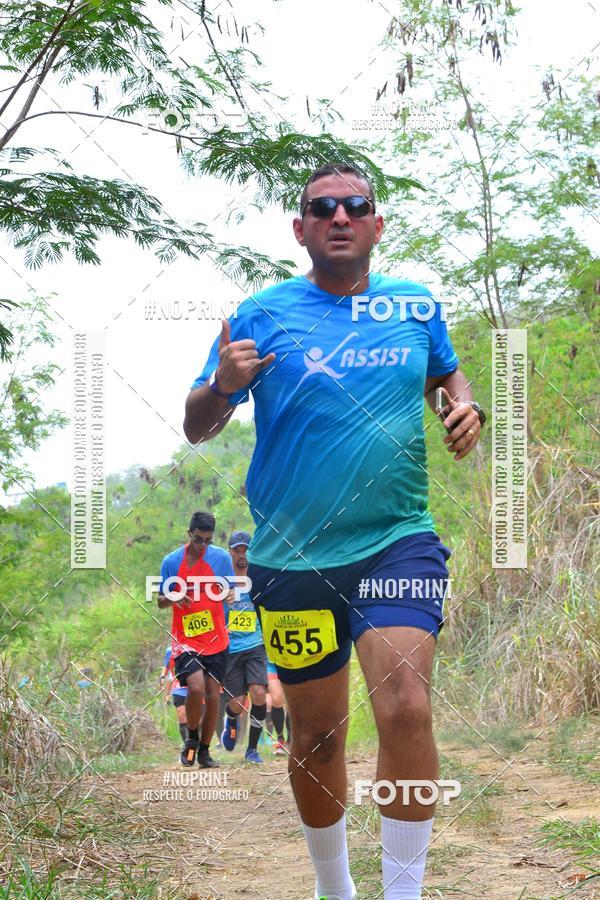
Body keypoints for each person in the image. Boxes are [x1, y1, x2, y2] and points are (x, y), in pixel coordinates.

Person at [183, 164, 485, 899]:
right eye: (322, 208)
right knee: (317, 736)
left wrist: (463, 406)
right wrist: (222, 386)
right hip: (294, 561)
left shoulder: (413, 305)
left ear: (377, 224)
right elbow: (197, 427)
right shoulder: (262, 314)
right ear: (301, 229)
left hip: (397, 541)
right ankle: (335, 888)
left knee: (406, 703)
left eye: (355, 206)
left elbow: (445, 376)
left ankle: (404, 892)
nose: (339, 217)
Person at [157, 511, 234, 769]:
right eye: (198, 539)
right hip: (186, 639)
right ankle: (191, 737)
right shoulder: (171, 562)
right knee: (196, 688)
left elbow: (230, 589)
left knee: (213, 695)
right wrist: (173, 597)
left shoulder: (221, 558)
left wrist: (230, 595)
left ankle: (204, 751)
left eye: (208, 541)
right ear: (189, 533)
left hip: (216, 638)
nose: (203, 545)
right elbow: (160, 601)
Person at [221, 530, 269, 764]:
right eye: (237, 550)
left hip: (256, 644)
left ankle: (252, 749)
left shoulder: (258, 577)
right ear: (229, 551)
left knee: (259, 694)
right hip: (230, 648)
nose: (241, 554)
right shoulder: (221, 578)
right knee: (237, 703)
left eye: (245, 550)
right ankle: (231, 720)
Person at [160, 645, 189, 745]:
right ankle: (187, 745)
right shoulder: (170, 650)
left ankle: (196, 741)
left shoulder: (196, 647)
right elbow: (167, 668)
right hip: (178, 688)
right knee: (182, 715)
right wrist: (162, 677)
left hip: (195, 687)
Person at [267, 660, 290, 755]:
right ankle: (280, 740)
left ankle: (290, 741)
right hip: (272, 663)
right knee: (276, 699)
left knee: (291, 702)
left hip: (293, 663)